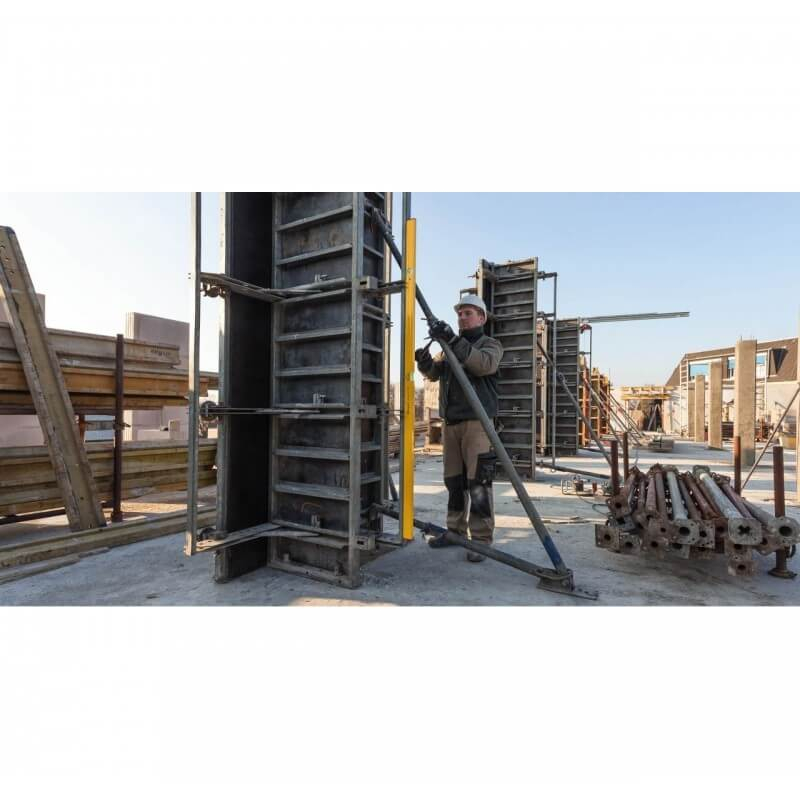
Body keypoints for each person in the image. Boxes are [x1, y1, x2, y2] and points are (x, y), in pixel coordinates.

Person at [415, 295, 503, 562]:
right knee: (454, 482)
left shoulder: (490, 345)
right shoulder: (448, 349)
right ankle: (455, 531)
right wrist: (425, 362)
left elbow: (483, 365)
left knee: (478, 483)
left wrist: (452, 340)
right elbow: (435, 373)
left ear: (481, 317)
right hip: (452, 424)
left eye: (468, 313)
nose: (462, 318)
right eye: (460, 314)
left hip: (478, 424)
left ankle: (482, 540)